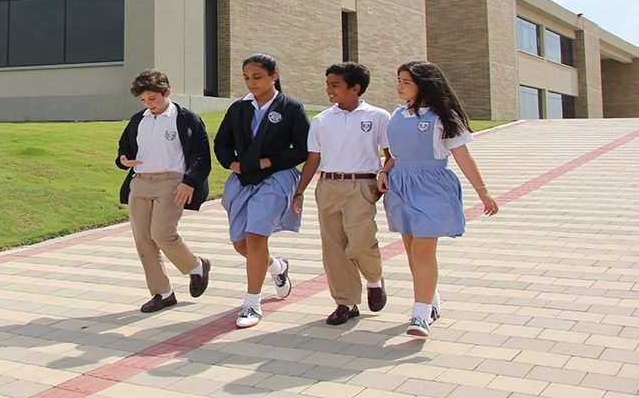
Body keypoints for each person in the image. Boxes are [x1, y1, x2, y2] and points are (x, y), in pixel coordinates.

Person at [379, 60, 499, 338]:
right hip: (400, 186)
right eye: (398, 80)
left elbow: (464, 157)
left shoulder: (444, 118)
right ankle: (430, 301)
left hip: (431, 186)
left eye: (406, 82)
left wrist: (483, 192)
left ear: (424, 84)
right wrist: (384, 172)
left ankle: (420, 315)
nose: (399, 86)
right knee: (411, 249)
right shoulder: (396, 115)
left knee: (422, 250)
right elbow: (394, 155)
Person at [292, 62, 392, 326]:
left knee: (360, 243)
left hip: (361, 186)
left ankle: (373, 278)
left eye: (335, 85)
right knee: (333, 247)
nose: (329, 90)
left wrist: (383, 175)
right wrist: (299, 191)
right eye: (328, 85)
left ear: (355, 88)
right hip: (328, 186)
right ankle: (346, 302)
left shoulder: (379, 116)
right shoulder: (322, 120)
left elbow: (391, 155)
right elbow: (313, 158)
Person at [214, 53, 309, 328]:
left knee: (255, 238)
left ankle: (251, 305)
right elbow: (221, 142)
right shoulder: (238, 109)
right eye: (246, 78)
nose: (251, 83)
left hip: (277, 178)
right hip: (243, 179)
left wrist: (270, 161)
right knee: (240, 243)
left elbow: (303, 149)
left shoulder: (291, 108)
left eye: (257, 77)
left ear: (273, 76)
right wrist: (231, 163)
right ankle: (277, 267)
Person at [116, 69, 213, 313]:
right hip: (140, 181)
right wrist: (123, 159)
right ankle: (163, 293)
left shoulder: (186, 118)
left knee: (162, 233)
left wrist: (189, 182)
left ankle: (197, 266)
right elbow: (124, 148)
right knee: (143, 240)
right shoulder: (139, 119)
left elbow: (202, 154)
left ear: (166, 92)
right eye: (144, 100)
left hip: (172, 182)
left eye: (153, 99)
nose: (149, 105)